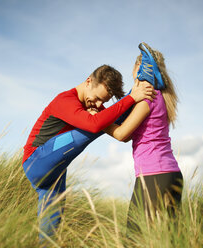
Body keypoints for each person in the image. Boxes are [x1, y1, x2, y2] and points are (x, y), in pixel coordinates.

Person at [22, 64, 155, 242]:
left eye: (104, 101)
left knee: (49, 237)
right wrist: (131, 97)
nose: (99, 104)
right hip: (36, 160)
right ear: (88, 81)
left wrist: (133, 107)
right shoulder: (65, 100)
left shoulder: (95, 107)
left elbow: (122, 135)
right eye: (98, 98)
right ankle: (140, 83)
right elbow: (94, 125)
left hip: (53, 177)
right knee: (95, 124)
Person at [102, 43, 183, 236]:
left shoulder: (148, 98)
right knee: (168, 240)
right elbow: (129, 133)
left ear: (137, 69)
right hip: (171, 174)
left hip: (153, 176)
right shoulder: (162, 97)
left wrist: (99, 120)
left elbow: (122, 135)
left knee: (134, 239)